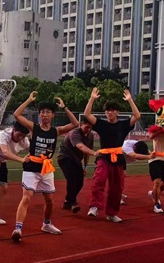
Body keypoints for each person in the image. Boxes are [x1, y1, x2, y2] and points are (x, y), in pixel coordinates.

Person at [11, 91, 79, 242]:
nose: (44, 115)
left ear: (53, 115)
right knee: (26, 197)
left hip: (46, 169)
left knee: (49, 200)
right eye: (42, 112)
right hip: (31, 167)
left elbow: (75, 124)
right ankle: (18, 228)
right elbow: (17, 114)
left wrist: (65, 107)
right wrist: (29, 100)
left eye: (48, 112)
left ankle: (46, 224)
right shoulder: (33, 128)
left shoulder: (56, 131)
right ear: (39, 114)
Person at [84, 87, 141, 223]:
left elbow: (137, 116)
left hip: (118, 158)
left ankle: (111, 213)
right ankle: (94, 206)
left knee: (117, 187)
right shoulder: (101, 124)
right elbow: (87, 114)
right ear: (105, 112)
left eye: (113, 110)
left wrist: (130, 100)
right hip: (104, 157)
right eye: (108, 110)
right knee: (99, 181)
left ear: (117, 112)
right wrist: (92, 98)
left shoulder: (123, 125)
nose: (110, 112)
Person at [57, 118, 97, 214]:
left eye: (91, 128)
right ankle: (73, 202)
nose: (89, 130)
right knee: (72, 179)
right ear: (81, 124)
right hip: (65, 157)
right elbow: (81, 146)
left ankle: (68, 201)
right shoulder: (75, 133)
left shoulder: (90, 136)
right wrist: (95, 153)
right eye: (87, 127)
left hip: (76, 160)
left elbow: (86, 152)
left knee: (80, 182)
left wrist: (85, 167)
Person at [120, 139, 155, 205]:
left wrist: (156, 155)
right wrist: (149, 157)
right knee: (119, 178)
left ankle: (119, 193)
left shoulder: (140, 145)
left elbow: (148, 152)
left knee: (122, 177)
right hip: (117, 160)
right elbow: (135, 156)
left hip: (123, 160)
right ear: (134, 147)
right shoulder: (126, 145)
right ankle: (118, 196)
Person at [147, 135, 164, 214]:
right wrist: (162, 130)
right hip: (154, 160)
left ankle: (154, 193)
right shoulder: (158, 135)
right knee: (157, 182)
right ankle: (156, 205)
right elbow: (151, 136)